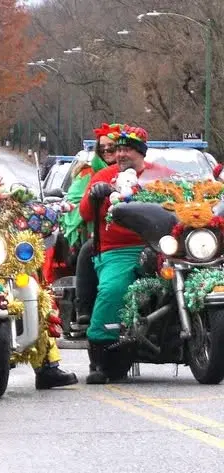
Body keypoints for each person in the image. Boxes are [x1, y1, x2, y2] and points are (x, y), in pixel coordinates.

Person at [80, 125, 170, 384]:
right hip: (118, 249)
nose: (120, 154)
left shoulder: (162, 176)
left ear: (141, 152)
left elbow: (186, 200)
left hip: (162, 245)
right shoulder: (103, 176)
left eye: (127, 149)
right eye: (117, 149)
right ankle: (100, 354)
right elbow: (85, 213)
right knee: (114, 288)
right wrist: (95, 197)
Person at [60, 124, 121, 340]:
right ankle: (85, 309)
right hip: (99, 234)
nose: (107, 152)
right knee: (88, 251)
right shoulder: (89, 173)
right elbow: (77, 206)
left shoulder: (143, 173)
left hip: (137, 234)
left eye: (112, 148)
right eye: (102, 148)